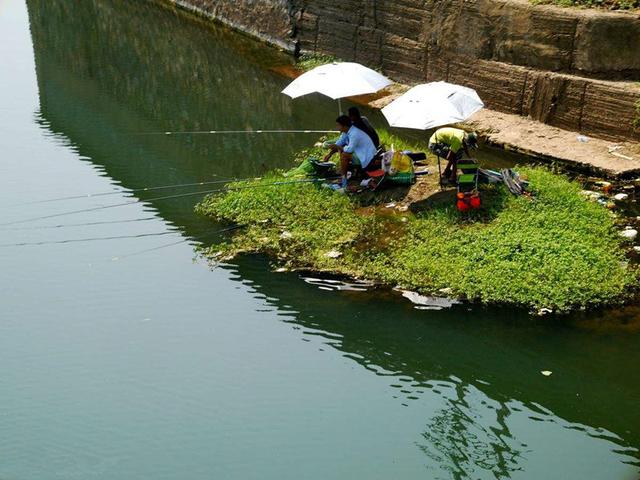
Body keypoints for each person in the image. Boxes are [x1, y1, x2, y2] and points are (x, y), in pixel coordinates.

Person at [324, 115, 377, 187]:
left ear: (344, 126)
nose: (337, 128)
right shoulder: (346, 132)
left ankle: (344, 180)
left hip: (367, 156)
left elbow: (349, 149)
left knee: (344, 155)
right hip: (360, 152)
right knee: (342, 148)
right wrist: (330, 154)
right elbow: (339, 142)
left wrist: (337, 147)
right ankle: (346, 173)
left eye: (338, 125)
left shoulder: (354, 133)